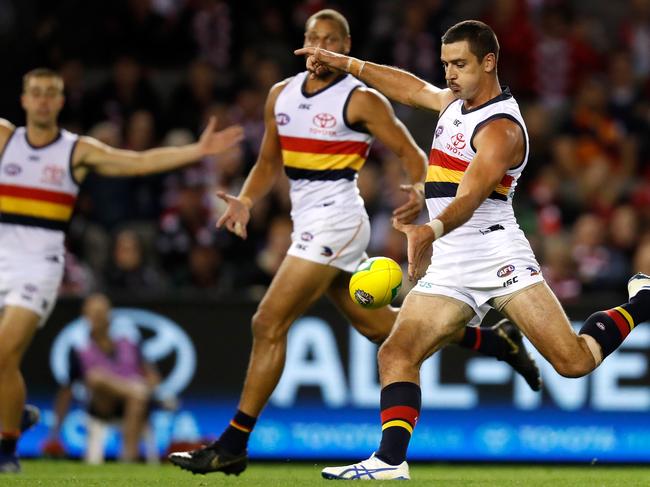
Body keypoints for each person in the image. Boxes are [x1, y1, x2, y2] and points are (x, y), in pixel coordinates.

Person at [169, 10, 541, 477]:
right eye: (312, 39)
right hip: (305, 220)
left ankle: (232, 443)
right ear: (303, 42)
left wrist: (418, 192)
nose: (320, 48)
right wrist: (245, 198)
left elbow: (411, 150)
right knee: (379, 329)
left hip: (337, 221)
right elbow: (268, 161)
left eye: (330, 41)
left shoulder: (360, 99)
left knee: (268, 321)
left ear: (344, 45)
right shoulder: (280, 95)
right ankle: (493, 341)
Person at [295, 19, 650, 480]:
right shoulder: (453, 102)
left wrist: (429, 229)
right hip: (451, 259)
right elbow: (408, 88)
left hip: (496, 254)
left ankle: (642, 300)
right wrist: (346, 63)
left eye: (459, 64)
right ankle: (389, 460)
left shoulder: (502, 128)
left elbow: (471, 196)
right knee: (396, 352)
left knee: (573, 362)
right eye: (445, 65)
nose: (449, 75)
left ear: (489, 62)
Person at [0, 67, 243, 473]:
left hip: (38, 267)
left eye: (50, 94)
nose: (42, 100)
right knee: (4, 363)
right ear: (23, 100)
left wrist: (196, 151)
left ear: (61, 102)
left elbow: (139, 162)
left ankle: (6, 448)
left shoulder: (75, 151)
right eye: (36, 93)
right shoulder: (5, 139)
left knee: (4, 352)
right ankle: (13, 413)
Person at [43, 293, 165, 462]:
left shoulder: (128, 342)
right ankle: (134, 392)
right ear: (86, 316)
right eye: (93, 313)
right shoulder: (80, 349)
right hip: (102, 405)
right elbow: (66, 391)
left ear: (109, 314)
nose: (97, 317)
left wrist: (148, 388)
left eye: (101, 312)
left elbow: (153, 376)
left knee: (136, 399)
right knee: (95, 377)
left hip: (134, 405)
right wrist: (54, 433)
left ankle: (128, 458)